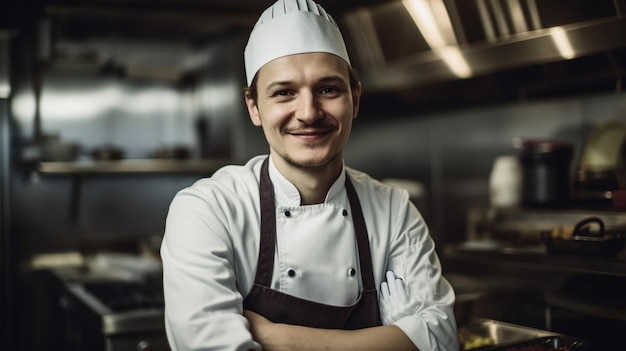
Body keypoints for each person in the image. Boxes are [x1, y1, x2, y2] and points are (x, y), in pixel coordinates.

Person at [160, 0, 458, 350]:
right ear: (254, 107)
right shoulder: (208, 209)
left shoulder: (393, 209)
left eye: (327, 89)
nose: (308, 113)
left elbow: (441, 339)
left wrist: (279, 338)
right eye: (284, 93)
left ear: (355, 99)